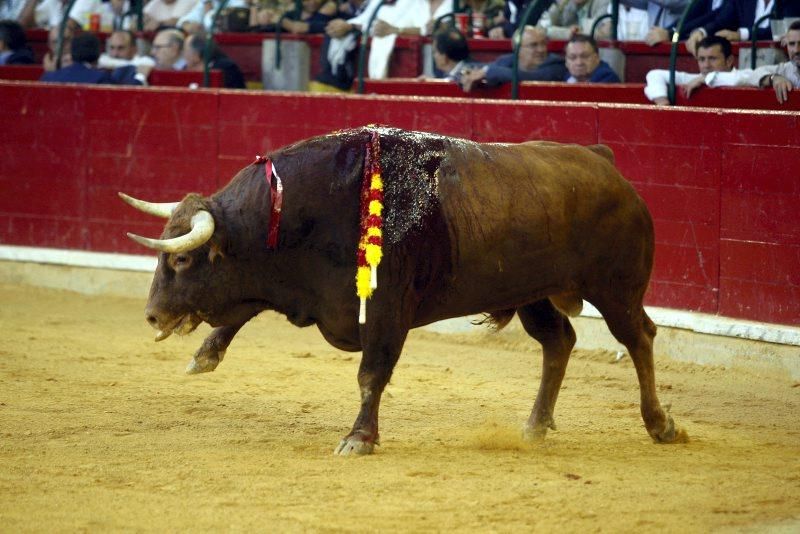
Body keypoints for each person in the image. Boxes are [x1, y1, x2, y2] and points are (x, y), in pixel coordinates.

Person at [682, 20, 800, 104]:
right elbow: (751, 75)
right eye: (792, 44)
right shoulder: (786, 69)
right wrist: (774, 78)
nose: (796, 50)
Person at [461, 25, 568, 92]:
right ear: (517, 49)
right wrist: (471, 74)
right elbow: (486, 69)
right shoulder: (507, 60)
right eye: (533, 45)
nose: (541, 49)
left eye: (543, 44)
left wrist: (487, 71)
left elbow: (530, 78)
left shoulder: (556, 65)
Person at [644, 35, 734, 104]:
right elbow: (655, 75)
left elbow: (742, 79)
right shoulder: (695, 80)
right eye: (702, 59)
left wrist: (705, 79)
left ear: (729, 61)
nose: (706, 65)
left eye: (712, 58)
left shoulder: (744, 77)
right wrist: (662, 103)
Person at [685, 0, 800, 54]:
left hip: (780, 59)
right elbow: (722, 21)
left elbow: (785, 30)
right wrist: (702, 32)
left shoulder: (792, 2)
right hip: (742, 59)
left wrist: (742, 34)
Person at [307, 0, 371, 92]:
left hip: (354, 80)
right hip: (328, 79)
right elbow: (314, 23)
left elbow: (372, 23)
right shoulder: (341, 7)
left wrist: (350, 27)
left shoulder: (376, 4)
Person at [40, 32, 143, 84]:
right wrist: (141, 76)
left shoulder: (48, 77)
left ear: (72, 53)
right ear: (98, 55)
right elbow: (126, 96)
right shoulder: (101, 78)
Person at [542, 0, 610, 40]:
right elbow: (542, 29)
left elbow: (602, 35)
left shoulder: (603, 2)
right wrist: (567, 33)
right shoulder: (563, 2)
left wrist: (558, 32)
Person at [177, 0, 248, 35]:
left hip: (229, 47)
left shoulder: (239, 2)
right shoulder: (208, 1)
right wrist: (187, 25)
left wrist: (207, 5)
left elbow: (214, 24)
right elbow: (183, 21)